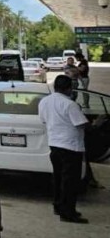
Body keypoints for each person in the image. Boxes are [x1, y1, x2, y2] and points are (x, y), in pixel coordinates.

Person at [38, 75, 90, 223]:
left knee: (58, 177)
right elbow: (80, 123)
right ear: (69, 88)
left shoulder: (44, 101)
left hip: (54, 144)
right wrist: (95, 124)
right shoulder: (70, 104)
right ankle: (68, 212)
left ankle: (58, 205)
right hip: (71, 147)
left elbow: (43, 120)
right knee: (70, 181)